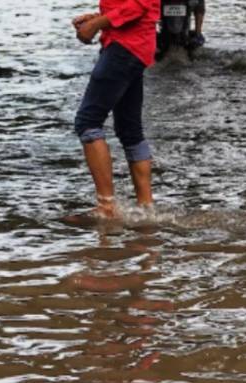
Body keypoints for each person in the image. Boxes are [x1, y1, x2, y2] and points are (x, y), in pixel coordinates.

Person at [68, 0, 160, 222]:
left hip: (126, 47)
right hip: (133, 46)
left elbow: (141, 4)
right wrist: (98, 19)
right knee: (129, 129)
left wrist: (98, 23)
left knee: (88, 122)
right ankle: (146, 209)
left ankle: (106, 208)